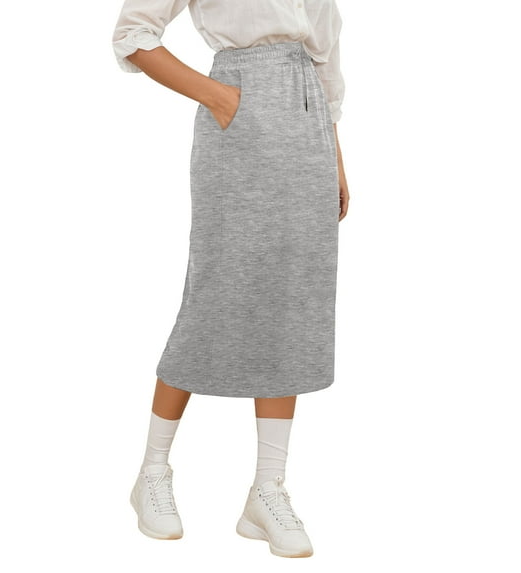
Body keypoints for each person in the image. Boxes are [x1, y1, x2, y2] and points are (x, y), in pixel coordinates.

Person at [112, 0, 350, 559]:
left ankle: (267, 489)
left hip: (310, 123)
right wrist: (221, 98)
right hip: (238, 108)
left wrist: (336, 157)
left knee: (292, 297)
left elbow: (326, 52)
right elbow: (133, 32)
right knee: (217, 292)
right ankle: (152, 471)